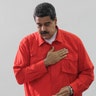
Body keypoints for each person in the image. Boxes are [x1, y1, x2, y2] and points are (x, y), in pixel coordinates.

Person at [13, 2, 94, 96]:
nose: (43, 29)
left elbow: (88, 73)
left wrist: (72, 89)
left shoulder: (74, 42)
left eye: (47, 24)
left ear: (55, 21)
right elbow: (20, 77)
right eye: (39, 25)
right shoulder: (26, 44)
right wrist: (45, 63)